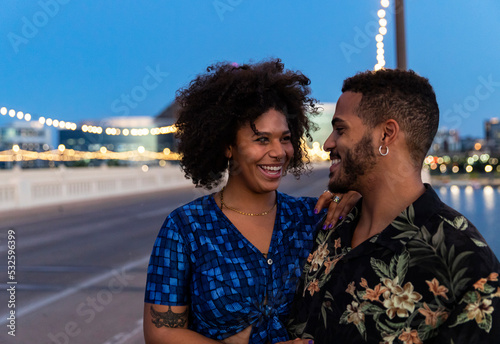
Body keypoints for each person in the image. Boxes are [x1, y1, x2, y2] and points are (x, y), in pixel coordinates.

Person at [143, 59, 359, 344]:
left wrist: (359, 194)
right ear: (228, 145)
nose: (278, 152)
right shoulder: (186, 228)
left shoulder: (314, 216)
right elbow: (160, 332)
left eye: (284, 138)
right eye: (261, 139)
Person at [286, 69, 500, 344]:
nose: (328, 143)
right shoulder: (328, 226)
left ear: (386, 135)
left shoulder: (468, 266)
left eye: (340, 129)